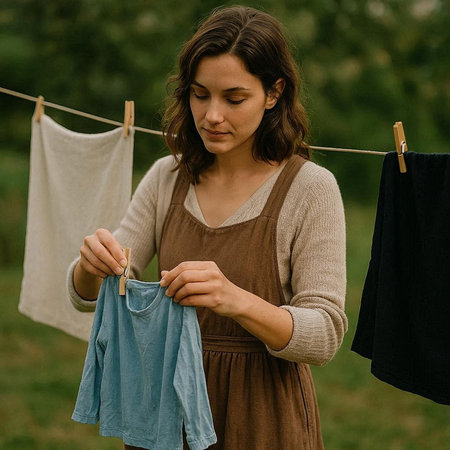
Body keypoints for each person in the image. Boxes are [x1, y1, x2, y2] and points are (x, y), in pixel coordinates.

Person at [67, 5, 347, 449]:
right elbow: (94, 294)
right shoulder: (167, 177)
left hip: (262, 417)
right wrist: (90, 266)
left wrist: (234, 299)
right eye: (200, 95)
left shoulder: (310, 188)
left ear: (274, 93)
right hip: (166, 413)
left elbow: (325, 334)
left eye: (234, 99)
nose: (212, 115)